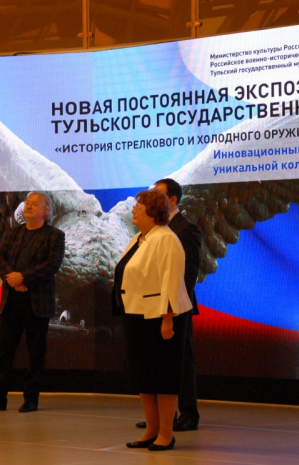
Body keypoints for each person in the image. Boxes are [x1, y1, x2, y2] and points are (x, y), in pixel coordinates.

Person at [113, 188, 192, 451]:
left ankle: (166, 434)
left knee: (164, 378)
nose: (133, 211)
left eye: (138, 207)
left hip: (161, 318)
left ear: (153, 212)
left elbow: (172, 281)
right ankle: (151, 430)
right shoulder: (139, 238)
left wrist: (167, 320)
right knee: (143, 377)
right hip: (137, 316)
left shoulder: (166, 239)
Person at [0, 191, 65, 413]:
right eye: (28, 203)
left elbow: (52, 265)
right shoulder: (15, 232)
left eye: (35, 204)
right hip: (12, 301)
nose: (29, 206)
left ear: (46, 211)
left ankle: (31, 399)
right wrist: (12, 279)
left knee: (35, 353)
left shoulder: (54, 235)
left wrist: (22, 277)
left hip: (37, 303)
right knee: (3, 350)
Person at [154, 178, 203, 431]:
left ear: (172, 199)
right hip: (152, 304)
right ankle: (163, 416)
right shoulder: (153, 229)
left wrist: (172, 306)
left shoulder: (187, 229)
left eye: (158, 194)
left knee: (182, 360)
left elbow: (189, 274)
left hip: (178, 305)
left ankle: (188, 414)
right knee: (159, 361)